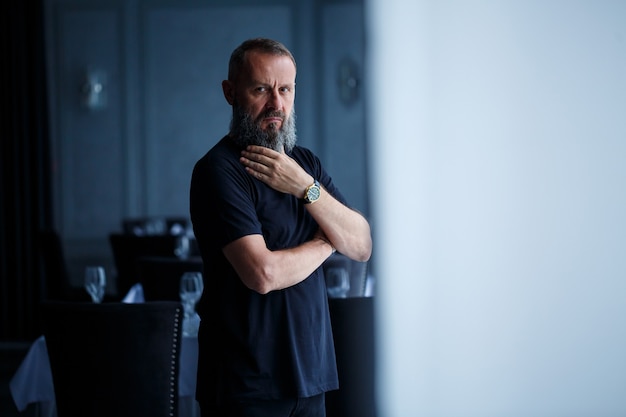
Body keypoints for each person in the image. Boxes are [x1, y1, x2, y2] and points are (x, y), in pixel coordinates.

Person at [189, 37, 372, 417]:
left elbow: (361, 244)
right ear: (230, 92)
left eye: (285, 89)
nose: (277, 104)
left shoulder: (305, 165)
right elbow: (263, 273)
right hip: (245, 386)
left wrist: (305, 188)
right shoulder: (217, 172)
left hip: (312, 377)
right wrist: (326, 243)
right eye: (261, 89)